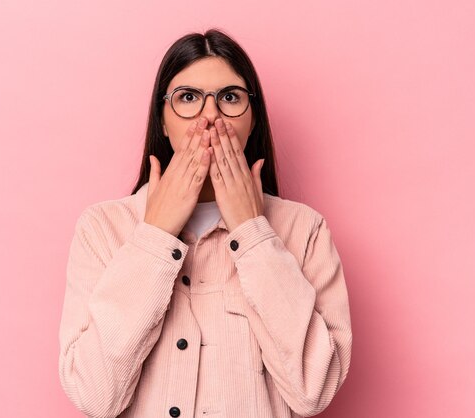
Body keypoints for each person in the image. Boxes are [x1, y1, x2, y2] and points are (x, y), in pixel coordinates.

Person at [58, 28, 352, 418]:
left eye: (230, 98)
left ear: (253, 120)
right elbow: (94, 396)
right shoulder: (102, 228)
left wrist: (252, 233)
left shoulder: (305, 230)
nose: (210, 116)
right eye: (188, 98)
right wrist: (155, 237)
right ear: (162, 121)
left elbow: (314, 391)